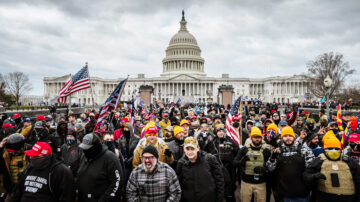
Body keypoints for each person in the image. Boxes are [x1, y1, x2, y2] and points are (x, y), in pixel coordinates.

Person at [304, 136, 360, 202]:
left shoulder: (349, 161)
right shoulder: (319, 160)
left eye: (336, 148)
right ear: (325, 149)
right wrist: (314, 176)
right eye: (330, 148)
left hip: (348, 199)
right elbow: (306, 176)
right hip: (324, 197)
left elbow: (358, 180)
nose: (333, 150)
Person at [266, 126, 311, 201]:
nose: (288, 138)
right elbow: (270, 168)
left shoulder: (303, 150)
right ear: (282, 138)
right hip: (284, 194)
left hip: (301, 194)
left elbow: (310, 168)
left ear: (294, 137)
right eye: (285, 136)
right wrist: (272, 158)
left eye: (290, 136)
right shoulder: (278, 151)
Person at [77, 133, 124, 202]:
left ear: (95, 147)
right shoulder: (84, 156)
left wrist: (104, 199)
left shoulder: (110, 158)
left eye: (88, 148)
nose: (85, 151)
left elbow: (117, 181)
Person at [176, 137, 224, 202]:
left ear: (198, 148)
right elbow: (179, 185)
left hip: (209, 198)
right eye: (187, 149)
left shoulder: (209, 159)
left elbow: (219, 181)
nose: (190, 152)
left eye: (192, 149)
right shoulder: (181, 163)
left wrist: (219, 199)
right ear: (184, 149)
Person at [234, 127, 271, 202]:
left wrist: (265, 169)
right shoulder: (244, 149)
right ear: (251, 138)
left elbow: (271, 166)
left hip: (261, 183)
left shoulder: (266, 151)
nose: (257, 139)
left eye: (259, 137)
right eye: (255, 137)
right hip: (246, 183)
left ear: (261, 138)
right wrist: (241, 162)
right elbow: (234, 163)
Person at [210, 124, 238, 202]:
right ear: (216, 132)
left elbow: (237, 151)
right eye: (219, 131)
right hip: (217, 168)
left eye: (222, 131)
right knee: (219, 187)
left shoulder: (229, 140)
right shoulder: (213, 141)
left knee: (230, 187)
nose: (221, 133)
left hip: (229, 168)